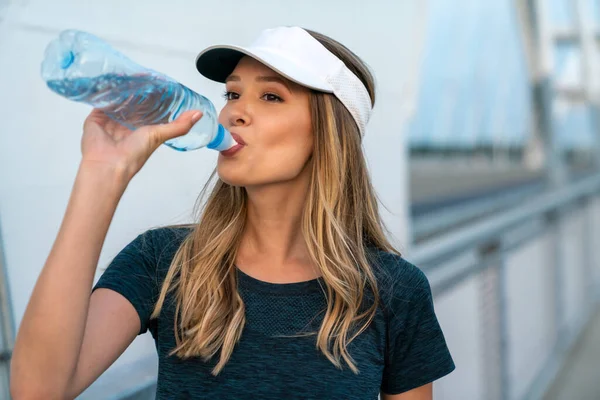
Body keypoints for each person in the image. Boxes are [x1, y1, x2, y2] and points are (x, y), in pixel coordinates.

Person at [11, 26, 455, 399]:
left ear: (329, 133)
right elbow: (37, 390)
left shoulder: (393, 292)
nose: (234, 111)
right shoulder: (164, 261)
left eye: (271, 97)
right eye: (232, 92)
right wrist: (101, 175)